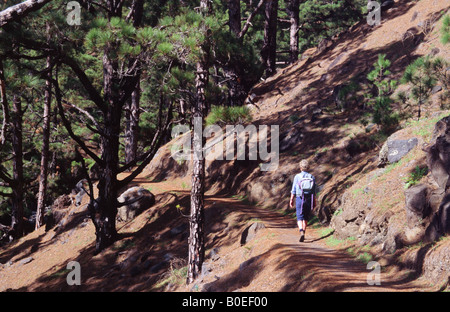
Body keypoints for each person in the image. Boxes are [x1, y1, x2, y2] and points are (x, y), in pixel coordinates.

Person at [289, 159, 316, 242]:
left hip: (300, 198)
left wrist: (291, 199)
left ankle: (301, 232)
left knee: (299, 217)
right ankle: (304, 231)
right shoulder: (312, 177)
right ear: (308, 168)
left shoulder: (297, 176)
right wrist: (314, 201)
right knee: (305, 217)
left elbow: (293, 189)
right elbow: (314, 191)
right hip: (309, 199)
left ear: (300, 167)